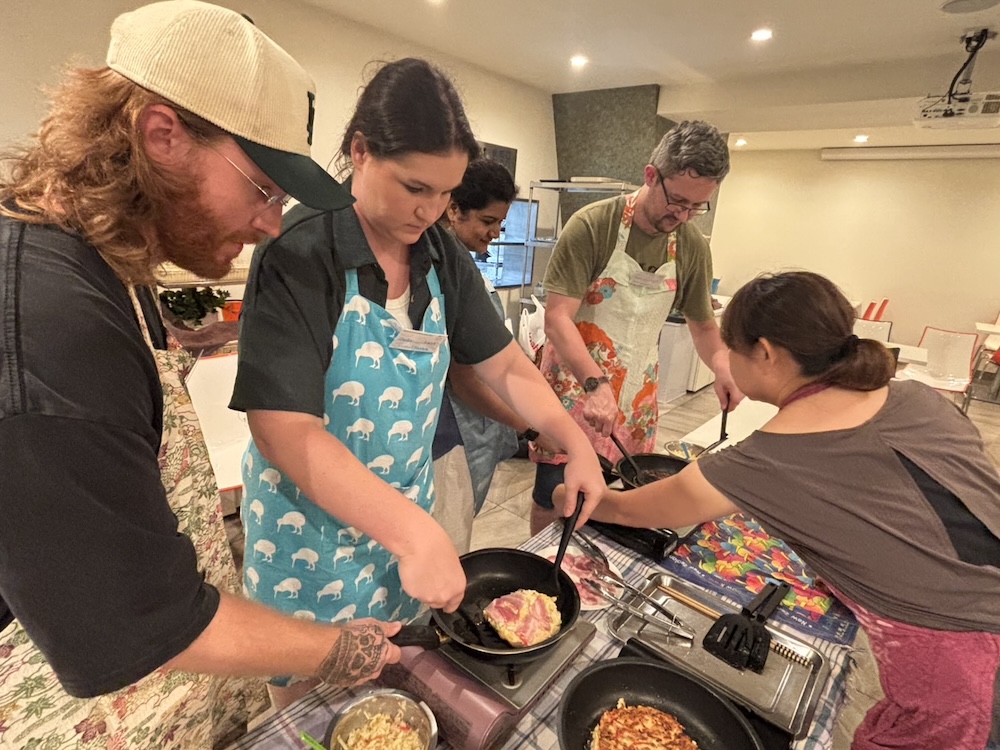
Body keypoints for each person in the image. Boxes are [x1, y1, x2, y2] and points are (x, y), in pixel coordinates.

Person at [0, 3, 404, 747]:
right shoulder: (49, 323)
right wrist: (343, 648)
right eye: (263, 189)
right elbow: (132, 623)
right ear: (163, 136)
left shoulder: (103, 265)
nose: (272, 224)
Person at [231, 58, 605, 706]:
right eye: (414, 187)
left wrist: (572, 436)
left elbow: (507, 366)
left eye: (445, 194)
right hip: (310, 543)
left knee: (389, 702)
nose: (430, 210)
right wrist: (412, 529)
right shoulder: (299, 247)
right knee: (310, 717)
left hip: (401, 533)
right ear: (360, 152)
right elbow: (283, 429)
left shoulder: (441, 255)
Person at [567, 271, 1000, 750]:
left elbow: (634, 511)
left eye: (732, 349)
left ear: (767, 352)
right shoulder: (917, 395)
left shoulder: (769, 459)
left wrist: (583, 495)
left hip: (968, 661)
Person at [530, 120, 744, 534]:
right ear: (651, 175)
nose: (682, 216)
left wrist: (722, 365)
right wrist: (595, 385)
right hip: (574, 391)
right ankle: (539, 571)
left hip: (637, 397)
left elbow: (702, 326)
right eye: (677, 201)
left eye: (696, 207)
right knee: (553, 496)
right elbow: (557, 318)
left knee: (616, 502)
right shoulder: (594, 225)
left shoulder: (692, 245)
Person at [432, 157, 561, 552]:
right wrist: (530, 428)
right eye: (488, 221)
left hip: (477, 427)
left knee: (456, 522)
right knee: (444, 531)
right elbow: (466, 380)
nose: (495, 231)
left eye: (501, 222)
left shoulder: (461, 265)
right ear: (454, 209)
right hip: (453, 429)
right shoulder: (440, 268)